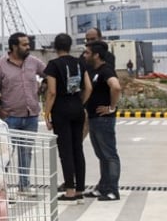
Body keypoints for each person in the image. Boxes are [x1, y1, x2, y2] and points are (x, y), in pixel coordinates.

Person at [0, 32, 46, 190]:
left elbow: (50, 75)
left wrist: (43, 87)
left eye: (28, 44)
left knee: (26, 153)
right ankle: (3, 187)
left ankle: (24, 185)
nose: (28, 47)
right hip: (10, 117)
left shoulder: (34, 62)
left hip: (31, 116)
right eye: (24, 44)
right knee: (6, 154)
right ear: (14, 46)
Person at [43, 34, 91, 201]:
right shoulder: (80, 63)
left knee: (65, 151)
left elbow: (52, 91)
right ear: (70, 46)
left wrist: (46, 113)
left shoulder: (53, 65)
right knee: (78, 148)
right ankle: (80, 190)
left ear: (55, 47)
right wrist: (79, 102)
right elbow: (89, 87)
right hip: (77, 108)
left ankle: (69, 190)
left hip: (61, 111)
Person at [84, 41, 122, 201]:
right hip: (94, 119)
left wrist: (111, 107)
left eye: (87, 52)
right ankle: (103, 187)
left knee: (109, 155)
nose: (85, 55)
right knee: (101, 155)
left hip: (103, 120)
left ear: (96, 55)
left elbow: (116, 87)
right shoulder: (94, 71)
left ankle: (113, 190)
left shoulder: (106, 70)